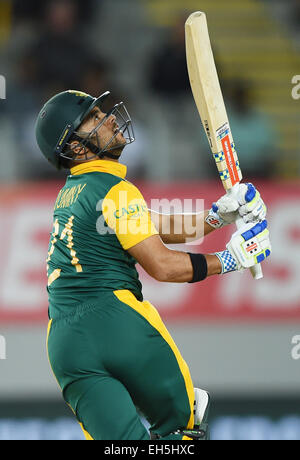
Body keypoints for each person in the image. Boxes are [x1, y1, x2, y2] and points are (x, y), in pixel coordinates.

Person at [35, 89, 271, 441]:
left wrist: (217, 217)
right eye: (94, 118)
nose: (110, 118)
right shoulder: (114, 189)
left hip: (65, 345)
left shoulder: (73, 192)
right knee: (185, 421)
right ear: (76, 147)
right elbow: (162, 266)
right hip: (115, 321)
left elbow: (150, 225)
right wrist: (230, 259)